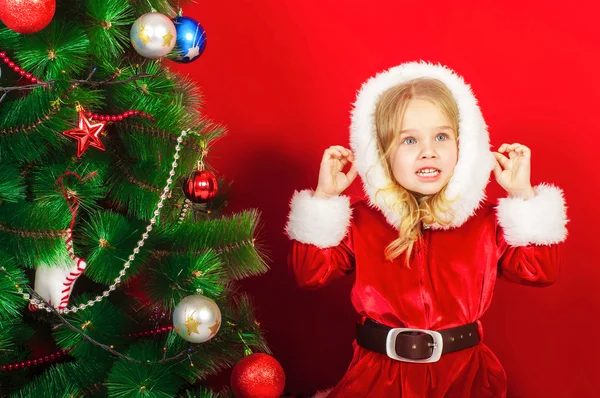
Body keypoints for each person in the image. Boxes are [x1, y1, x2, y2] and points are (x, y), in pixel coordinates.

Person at [285, 62, 568, 397]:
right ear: (380, 154)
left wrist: (522, 194)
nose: (428, 151)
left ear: (465, 145)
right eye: (409, 140)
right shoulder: (362, 220)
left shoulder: (485, 221)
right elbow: (309, 273)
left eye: (441, 136)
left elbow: (540, 270)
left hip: (463, 379)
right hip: (377, 380)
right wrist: (325, 198)